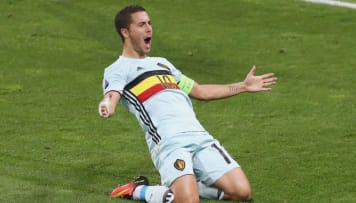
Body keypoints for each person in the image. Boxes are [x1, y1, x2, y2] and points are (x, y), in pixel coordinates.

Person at [98, 5, 277, 203]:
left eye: (149, 23)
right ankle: (138, 190)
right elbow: (112, 94)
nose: (149, 28)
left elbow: (199, 91)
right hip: (168, 143)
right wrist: (107, 105)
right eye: (141, 25)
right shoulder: (118, 69)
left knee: (242, 192)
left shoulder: (162, 64)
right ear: (126, 32)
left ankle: (173, 188)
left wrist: (243, 86)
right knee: (189, 202)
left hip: (200, 137)